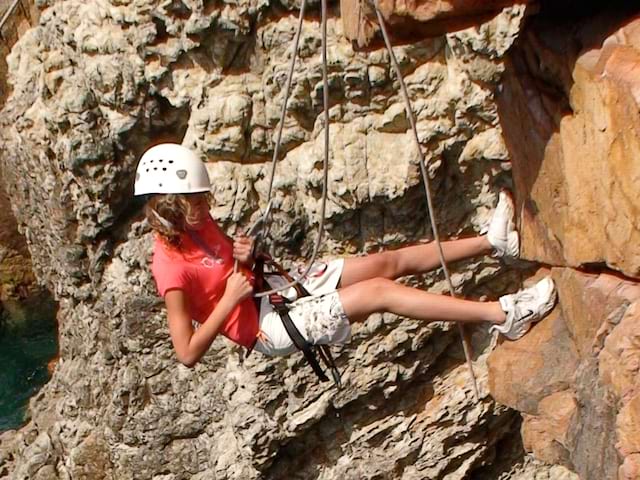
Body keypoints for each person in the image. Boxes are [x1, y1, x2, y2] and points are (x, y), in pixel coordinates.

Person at [135, 143, 557, 367]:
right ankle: (505, 317)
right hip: (266, 327)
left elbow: (232, 271)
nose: (208, 206)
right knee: (378, 291)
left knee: (382, 263)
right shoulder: (169, 268)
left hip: (272, 290)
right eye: (199, 200)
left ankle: (492, 242)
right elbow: (186, 353)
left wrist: (244, 258)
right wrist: (229, 299)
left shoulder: (197, 222)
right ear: (173, 203)